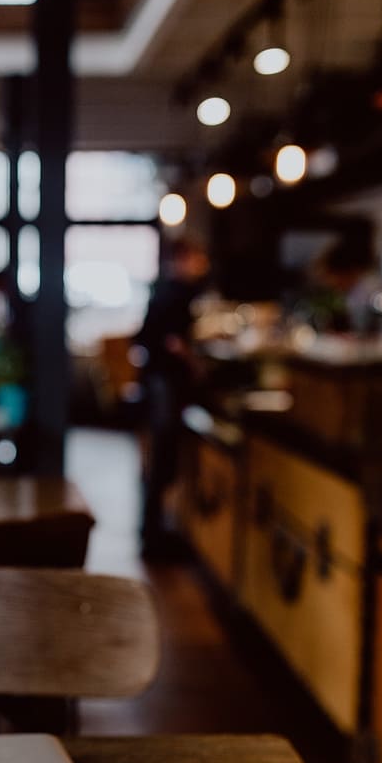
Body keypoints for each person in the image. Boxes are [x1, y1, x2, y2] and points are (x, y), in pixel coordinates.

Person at [134, 236, 211, 558]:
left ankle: (154, 532)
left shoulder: (164, 289)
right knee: (164, 459)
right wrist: (195, 365)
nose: (200, 265)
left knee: (161, 461)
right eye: (195, 258)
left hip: (156, 382)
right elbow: (172, 342)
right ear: (182, 258)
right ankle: (155, 538)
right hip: (165, 384)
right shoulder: (176, 292)